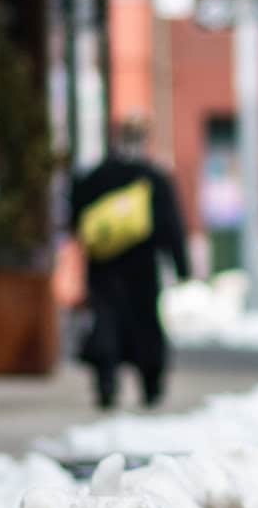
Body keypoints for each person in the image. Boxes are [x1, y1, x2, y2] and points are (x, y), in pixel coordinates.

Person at [69, 118, 190, 410]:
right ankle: (151, 384)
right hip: (142, 264)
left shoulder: (95, 177)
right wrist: (180, 264)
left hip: (104, 263)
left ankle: (106, 381)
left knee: (105, 319)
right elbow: (170, 223)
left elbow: (76, 218)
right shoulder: (152, 178)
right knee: (145, 321)